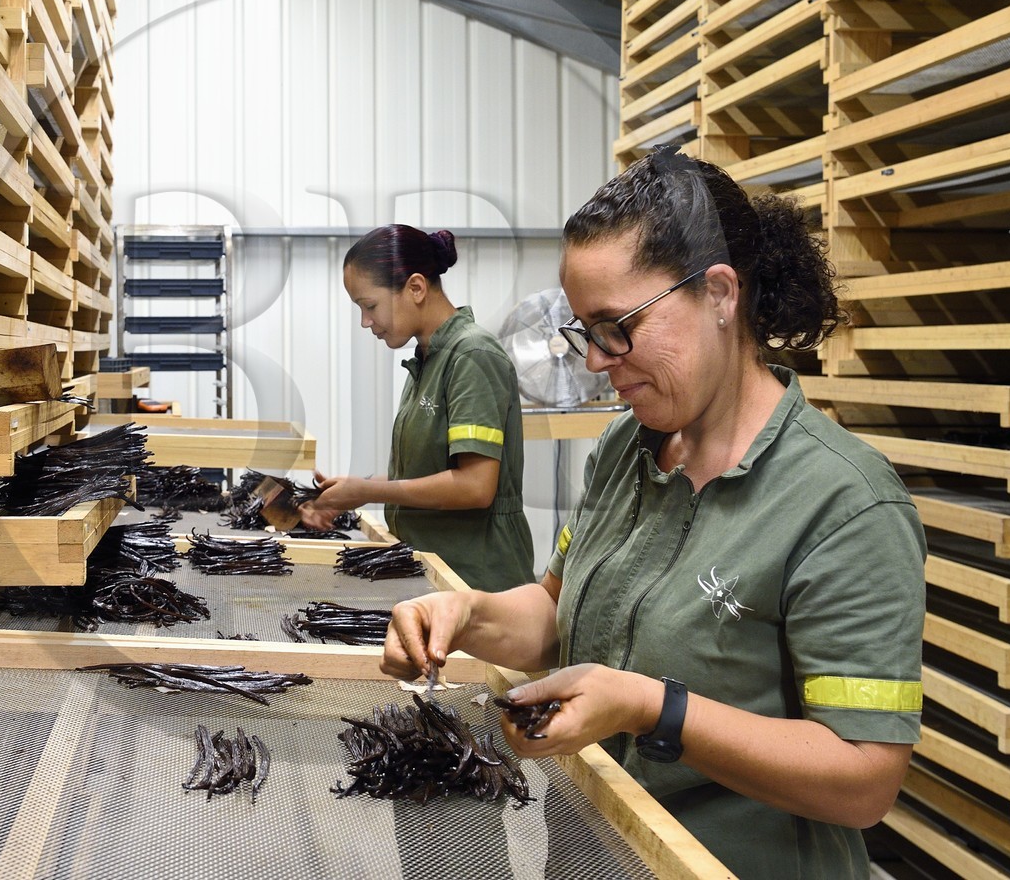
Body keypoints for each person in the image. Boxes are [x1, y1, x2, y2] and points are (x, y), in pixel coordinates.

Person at [381, 150, 926, 879]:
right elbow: (557, 613)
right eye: (585, 332)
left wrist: (653, 709)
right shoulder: (625, 448)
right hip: (602, 855)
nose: (598, 362)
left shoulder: (844, 504)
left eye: (616, 326)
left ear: (721, 294)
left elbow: (863, 780)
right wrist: (463, 615)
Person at [300, 224, 536, 593]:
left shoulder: (472, 355)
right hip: (434, 572)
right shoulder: (427, 358)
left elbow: (475, 487)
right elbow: (428, 474)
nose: (366, 322)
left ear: (415, 287)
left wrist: (372, 491)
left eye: (370, 305)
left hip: (476, 582)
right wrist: (357, 489)